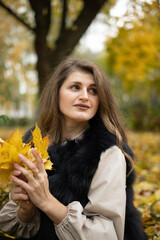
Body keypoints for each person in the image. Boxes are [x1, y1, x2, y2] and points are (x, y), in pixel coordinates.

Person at [0, 57, 147, 240]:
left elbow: (107, 234)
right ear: (57, 93)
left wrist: (46, 202)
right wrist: (26, 209)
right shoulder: (32, 144)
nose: (85, 96)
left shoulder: (108, 153)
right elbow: (16, 228)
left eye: (93, 90)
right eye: (75, 87)